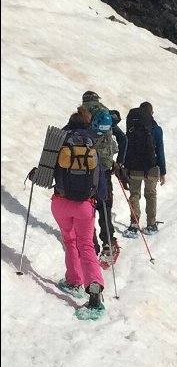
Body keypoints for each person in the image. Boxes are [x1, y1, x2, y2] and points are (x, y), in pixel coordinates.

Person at [51, 108, 106, 317]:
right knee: (86, 244)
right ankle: (93, 285)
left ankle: (74, 279)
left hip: (60, 203)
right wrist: (100, 199)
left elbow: (46, 171)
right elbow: (100, 181)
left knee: (69, 239)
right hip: (85, 205)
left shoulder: (61, 141)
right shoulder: (92, 145)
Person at [80, 90, 120, 260]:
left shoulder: (81, 115)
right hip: (104, 168)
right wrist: (119, 161)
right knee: (105, 205)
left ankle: (92, 243)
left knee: (88, 206)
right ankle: (108, 242)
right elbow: (123, 139)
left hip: (85, 168)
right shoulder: (106, 115)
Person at [123, 101, 166, 235]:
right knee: (151, 194)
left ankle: (134, 223)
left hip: (134, 167)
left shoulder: (132, 126)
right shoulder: (156, 129)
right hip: (151, 168)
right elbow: (160, 151)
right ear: (151, 113)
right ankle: (151, 224)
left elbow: (127, 147)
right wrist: (162, 171)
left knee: (134, 194)